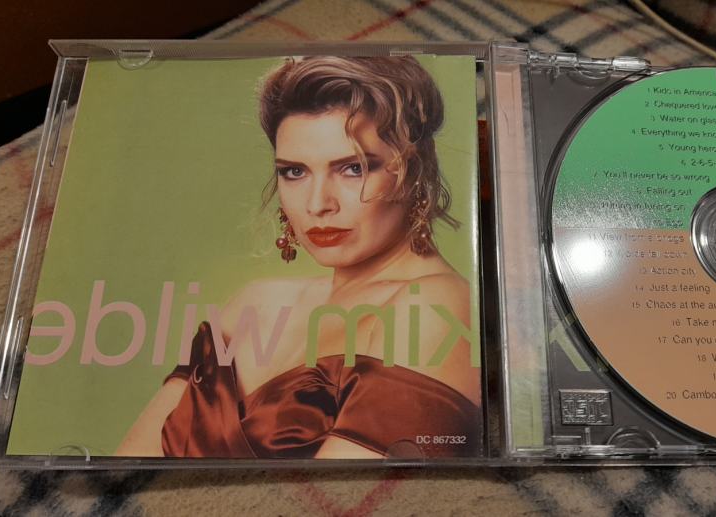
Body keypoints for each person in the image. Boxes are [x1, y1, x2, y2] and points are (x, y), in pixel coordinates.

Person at [116, 56, 481, 459]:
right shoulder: (255, 303)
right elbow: (126, 466)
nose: (317, 203)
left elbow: (345, 491)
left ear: (415, 169)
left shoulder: (435, 307)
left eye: (353, 168)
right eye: (295, 172)